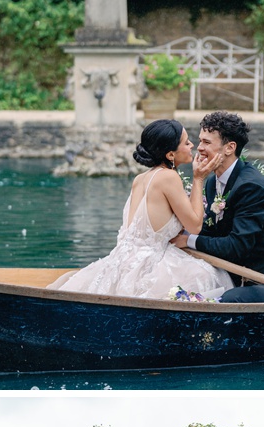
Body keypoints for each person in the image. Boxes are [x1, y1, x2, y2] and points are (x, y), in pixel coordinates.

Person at [49, 118, 235, 301]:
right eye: (186, 143)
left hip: (121, 260)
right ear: (170, 155)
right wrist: (198, 178)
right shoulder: (168, 178)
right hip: (149, 264)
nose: (192, 145)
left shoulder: (140, 179)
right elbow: (194, 227)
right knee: (208, 275)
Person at [171, 110, 264, 301]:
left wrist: (188, 240)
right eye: (200, 141)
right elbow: (215, 232)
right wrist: (182, 232)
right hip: (243, 272)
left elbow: (236, 246)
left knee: (230, 299)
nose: (199, 148)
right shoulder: (211, 181)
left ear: (229, 148)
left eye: (207, 142)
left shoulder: (252, 187)